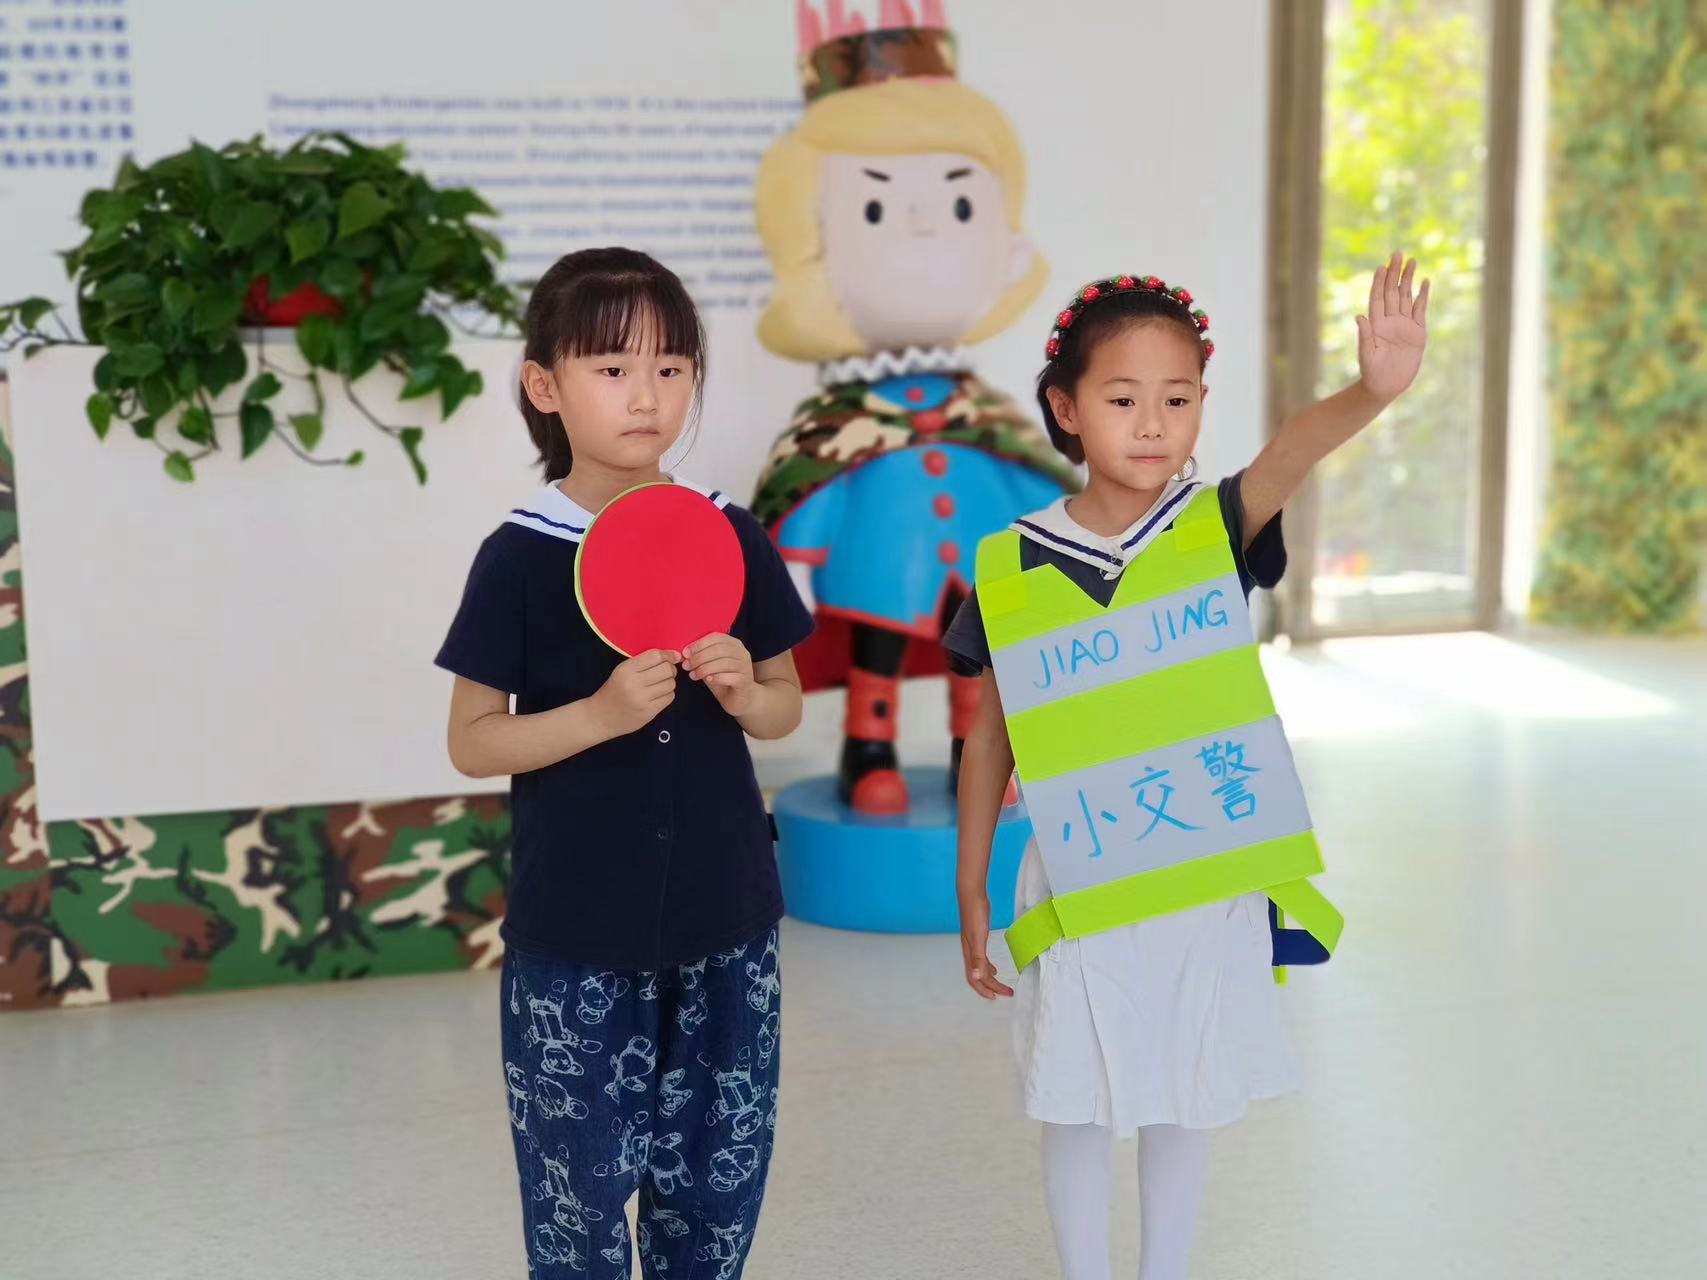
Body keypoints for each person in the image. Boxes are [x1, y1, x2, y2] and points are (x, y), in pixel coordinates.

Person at [945, 255, 1430, 1280]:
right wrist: (971, 881)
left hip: (1201, 875)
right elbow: (990, 734)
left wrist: (1372, 391)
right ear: (1066, 408)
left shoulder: (1210, 528)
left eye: (1178, 399)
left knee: (1185, 1088)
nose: (1153, 424)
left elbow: (1291, 449)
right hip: (1079, 880)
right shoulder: (1011, 562)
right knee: (1074, 1095)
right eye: (1123, 399)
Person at [435, 247, 813, 1279]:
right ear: (544, 386)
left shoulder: (729, 532)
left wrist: (743, 692)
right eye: (612, 369)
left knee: (716, 1188)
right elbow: (473, 738)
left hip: (728, 921)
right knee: (579, 1196)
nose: (646, 396)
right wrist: (598, 714)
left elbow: (783, 702)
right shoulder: (518, 555)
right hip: (576, 935)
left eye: (671, 368)